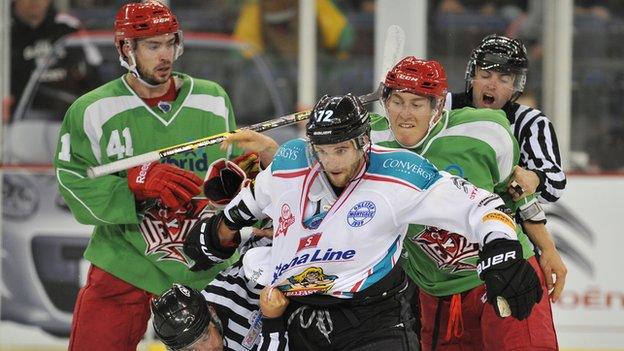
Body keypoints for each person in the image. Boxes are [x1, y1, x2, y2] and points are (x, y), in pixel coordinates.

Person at [184, 93, 543, 350]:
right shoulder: (292, 162)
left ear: (363, 141)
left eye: (341, 150)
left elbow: (481, 205)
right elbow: (246, 206)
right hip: (302, 320)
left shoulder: (400, 174)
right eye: (323, 152)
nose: (332, 162)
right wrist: (218, 233)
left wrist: (503, 248)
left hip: (375, 320)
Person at [53, 2, 245, 350]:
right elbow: (74, 181)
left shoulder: (212, 100)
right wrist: (131, 185)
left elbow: (234, 173)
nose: (165, 55)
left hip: (200, 262)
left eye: (170, 43)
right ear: (126, 49)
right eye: (153, 46)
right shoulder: (92, 110)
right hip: (124, 260)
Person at [370, 56, 560, 350]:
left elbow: (516, 188)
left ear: (437, 108)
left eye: (416, 104)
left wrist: (547, 249)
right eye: (397, 102)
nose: (405, 114)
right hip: (436, 294)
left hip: (503, 273)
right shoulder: (370, 142)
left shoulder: (484, 131)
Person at [445, 34, 566, 204]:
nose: (492, 85)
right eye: (486, 75)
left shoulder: (530, 122)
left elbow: (556, 182)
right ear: (472, 76)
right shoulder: (442, 106)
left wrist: (534, 179)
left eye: (504, 79)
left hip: (502, 221)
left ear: (515, 86)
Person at [10, 0, 101, 119]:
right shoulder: (6, 32)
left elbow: (94, 70)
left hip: (70, 115)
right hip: (21, 120)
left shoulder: (68, 26)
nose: (34, 1)